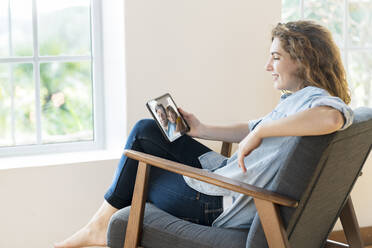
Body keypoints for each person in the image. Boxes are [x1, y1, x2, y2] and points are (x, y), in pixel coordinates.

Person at [54, 20, 354, 247]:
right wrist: (202, 128)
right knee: (147, 130)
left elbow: (331, 117)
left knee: (141, 163)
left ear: (302, 59)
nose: (267, 66)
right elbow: (250, 127)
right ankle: (97, 226)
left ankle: (97, 228)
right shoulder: (299, 99)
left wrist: (262, 133)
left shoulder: (318, 102)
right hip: (226, 180)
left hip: (219, 204)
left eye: (275, 57)